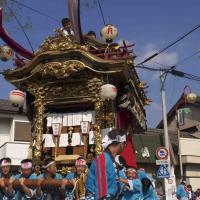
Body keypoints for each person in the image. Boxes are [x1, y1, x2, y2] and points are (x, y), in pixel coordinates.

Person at [86, 128, 127, 199]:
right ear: (121, 143)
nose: (125, 146)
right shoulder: (103, 158)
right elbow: (101, 191)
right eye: (125, 144)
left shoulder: (111, 161)